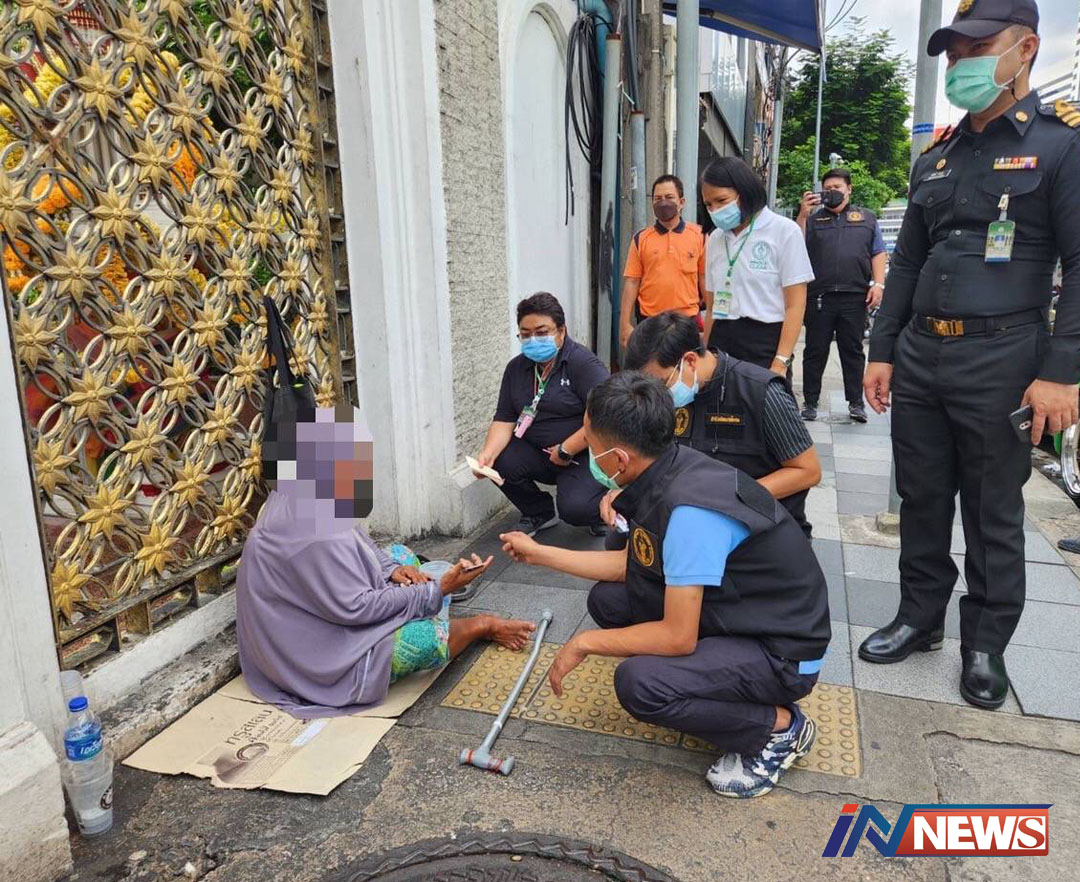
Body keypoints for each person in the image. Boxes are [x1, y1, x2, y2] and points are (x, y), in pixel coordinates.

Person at [860, 0, 1080, 711]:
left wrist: (1061, 373)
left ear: (1026, 50)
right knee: (922, 497)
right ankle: (919, 617)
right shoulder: (939, 156)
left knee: (991, 510)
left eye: (977, 51)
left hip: (1006, 356)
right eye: (953, 55)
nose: (961, 66)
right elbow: (906, 262)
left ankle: (985, 644)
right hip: (923, 352)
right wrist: (882, 348)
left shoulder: (1061, 145)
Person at [500, 373, 831, 798]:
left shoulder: (688, 513)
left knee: (640, 684)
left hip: (784, 653)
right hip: (744, 610)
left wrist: (583, 643)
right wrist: (540, 554)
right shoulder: (671, 465)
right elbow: (630, 565)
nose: (589, 457)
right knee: (610, 602)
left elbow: (678, 636)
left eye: (592, 447)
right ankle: (708, 685)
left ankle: (779, 729)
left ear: (619, 459)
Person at [236, 405, 535, 717]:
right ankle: (480, 627)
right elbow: (357, 608)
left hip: (310, 615)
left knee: (402, 556)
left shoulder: (302, 490)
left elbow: (359, 543)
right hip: (308, 654)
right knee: (422, 641)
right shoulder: (316, 530)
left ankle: (420, 603)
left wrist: (394, 570)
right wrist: (440, 589)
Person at [620, 311, 820, 536]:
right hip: (697, 521)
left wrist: (732, 498)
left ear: (690, 361)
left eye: (662, 383)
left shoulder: (760, 392)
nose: (658, 395)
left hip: (764, 530)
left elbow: (808, 471)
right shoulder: (672, 398)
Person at [472, 293, 609, 536]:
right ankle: (539, 512)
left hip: (582, 455)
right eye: (525, 334)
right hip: (539, 452)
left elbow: (604, 417)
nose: (533, 340)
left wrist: (566, 449)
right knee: (501, 459)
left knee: (576, 509)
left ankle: (600, 505)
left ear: (561, 331)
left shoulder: (583, 364)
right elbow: (504, 418)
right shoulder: (516, 368)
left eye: (542, 332)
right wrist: (487, 455)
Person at [701, 156, 814, 375]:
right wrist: (705, 353)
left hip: (765, 343)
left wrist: (781, 361)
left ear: (744, 192)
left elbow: (796, 305)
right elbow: (712, 306)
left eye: (721, 201)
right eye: (708, 204)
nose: (715, 210)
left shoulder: (784, 231)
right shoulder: (715, 238)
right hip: (721, 341)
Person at [796, 168, 888, 423]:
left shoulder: (867, 219)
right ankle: (810, 402)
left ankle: (856, 403)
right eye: (827, 188)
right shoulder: (814, 220)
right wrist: (803, 215)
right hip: (819, 297)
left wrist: (878, 284)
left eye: (837, 187)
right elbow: (795, 245)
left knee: (853, 351)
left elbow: (878, 252)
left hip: (855, 296)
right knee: (815, 351)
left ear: (849, 189)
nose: (832, 192)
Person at [619, 174, 708, 349]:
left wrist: (711, 323)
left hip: (686, 323)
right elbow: (631, 282)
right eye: (658, 199)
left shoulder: (699, 236)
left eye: (669, 197)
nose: (663, 203)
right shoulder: (641, 239)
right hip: (650, 322)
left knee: (686, 365)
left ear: (681, 202)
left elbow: (704, 279)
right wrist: (624, 325)